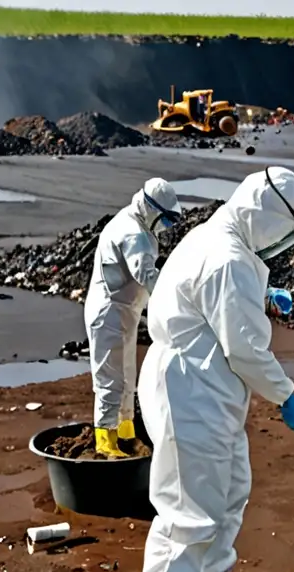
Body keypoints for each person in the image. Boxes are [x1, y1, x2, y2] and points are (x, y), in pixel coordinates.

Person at [135, 167, 294, 572]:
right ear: (267, 215)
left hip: (208, 391)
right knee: (189, 506)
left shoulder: (221, 238)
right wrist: (286, 396)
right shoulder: (227, 258)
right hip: (189, 391)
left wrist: (261, 296)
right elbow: (247, 350)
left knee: (227, 491)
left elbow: (221, 299)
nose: (284, 245)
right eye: (285, 232)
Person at [84, 178, 182, 458]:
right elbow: (146, 275)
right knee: (110, 380)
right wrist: (178, 302)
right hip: (109, 313)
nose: (166, 226)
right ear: (151, 208)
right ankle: (105, 440)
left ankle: (126, 433)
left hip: (125, 313)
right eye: (165, 219)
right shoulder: (133, 233)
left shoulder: (138, 224)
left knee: (127, 378)